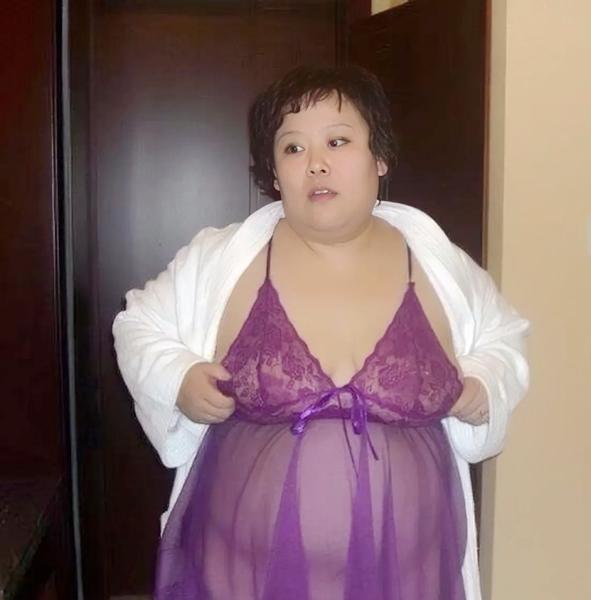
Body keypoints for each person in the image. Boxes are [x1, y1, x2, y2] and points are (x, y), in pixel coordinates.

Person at [113, 64, 529, 600]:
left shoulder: (440, 264)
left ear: (380, 157)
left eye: (337, 141)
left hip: (410, 576)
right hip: (241, 574)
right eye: (293, 148)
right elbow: (138, 323)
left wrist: (484, 386)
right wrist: (178, 379)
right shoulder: (219, 258)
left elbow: (505, 338)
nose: (316, 163)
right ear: (273, 171)